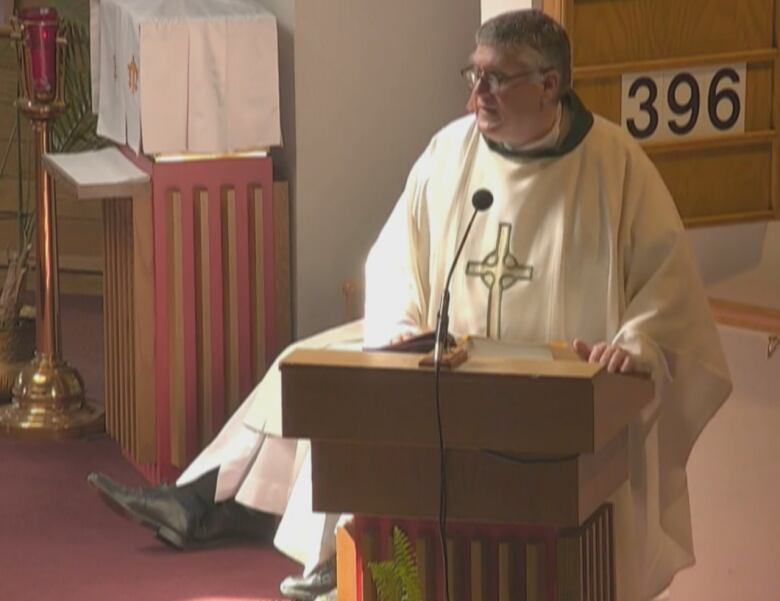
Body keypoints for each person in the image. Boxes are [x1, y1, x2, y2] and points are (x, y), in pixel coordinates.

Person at [88, 9, 732, 601]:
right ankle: (224, 509)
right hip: (449, 374)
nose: (476, 95)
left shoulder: (615, 167)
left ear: (549, 84)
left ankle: (266, 528)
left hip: (557, 407)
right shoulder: (450, 152)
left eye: (496, 80)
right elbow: (397, 256)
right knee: (312, 365)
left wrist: (638, 343)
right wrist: (398, 320)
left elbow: (668, 292)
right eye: (473, 75)